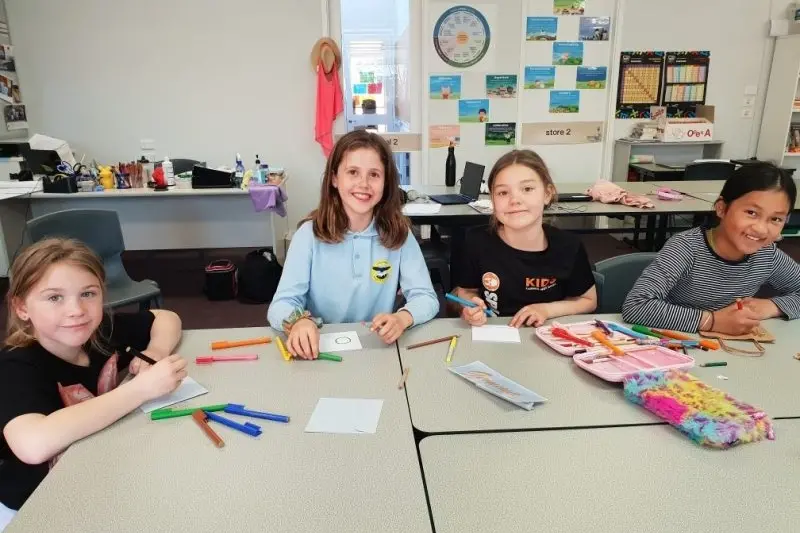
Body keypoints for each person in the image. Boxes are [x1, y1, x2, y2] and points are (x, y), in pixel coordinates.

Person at [0, 239, 187, 527]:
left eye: (88, 293)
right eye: (54, 298)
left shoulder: (99, 334)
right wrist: (139, 390)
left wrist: (156, 351)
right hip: (33, 505)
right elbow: (33, 444)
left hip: (99, 476)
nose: (76, 310)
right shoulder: (16, 365)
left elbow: (166, 317)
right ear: (22, 307)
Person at [267, 130, 438, 358]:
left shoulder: (399, 234)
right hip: (319, 349)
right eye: (353, 172)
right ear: (335, 178)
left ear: (386, 183)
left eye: (374, 174)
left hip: (376, 348)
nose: (364, 183)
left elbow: (426, 297)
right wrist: (298, 322)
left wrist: (402, 317)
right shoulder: (308, 235)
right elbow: (281, 304)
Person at [623, 162, 800, 334]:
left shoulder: (767, 255)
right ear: (722, 208)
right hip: (677, 344)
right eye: (751, 213)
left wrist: (772, 306)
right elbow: (637, 305)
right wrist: (712, 321)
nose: (761, 229)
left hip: (731, 349)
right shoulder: (686, 248)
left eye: (776, 219)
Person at [450, 149, 597, 327]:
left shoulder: (569, 246)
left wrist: (546, 310)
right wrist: (471, 306)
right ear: (493, 200)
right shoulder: (476, 241)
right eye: (503, 193)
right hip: (492, 336)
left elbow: (589, 300)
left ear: (547, 194)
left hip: (548, 339)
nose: (514, 200)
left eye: (527, 189)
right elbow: (465, 290)